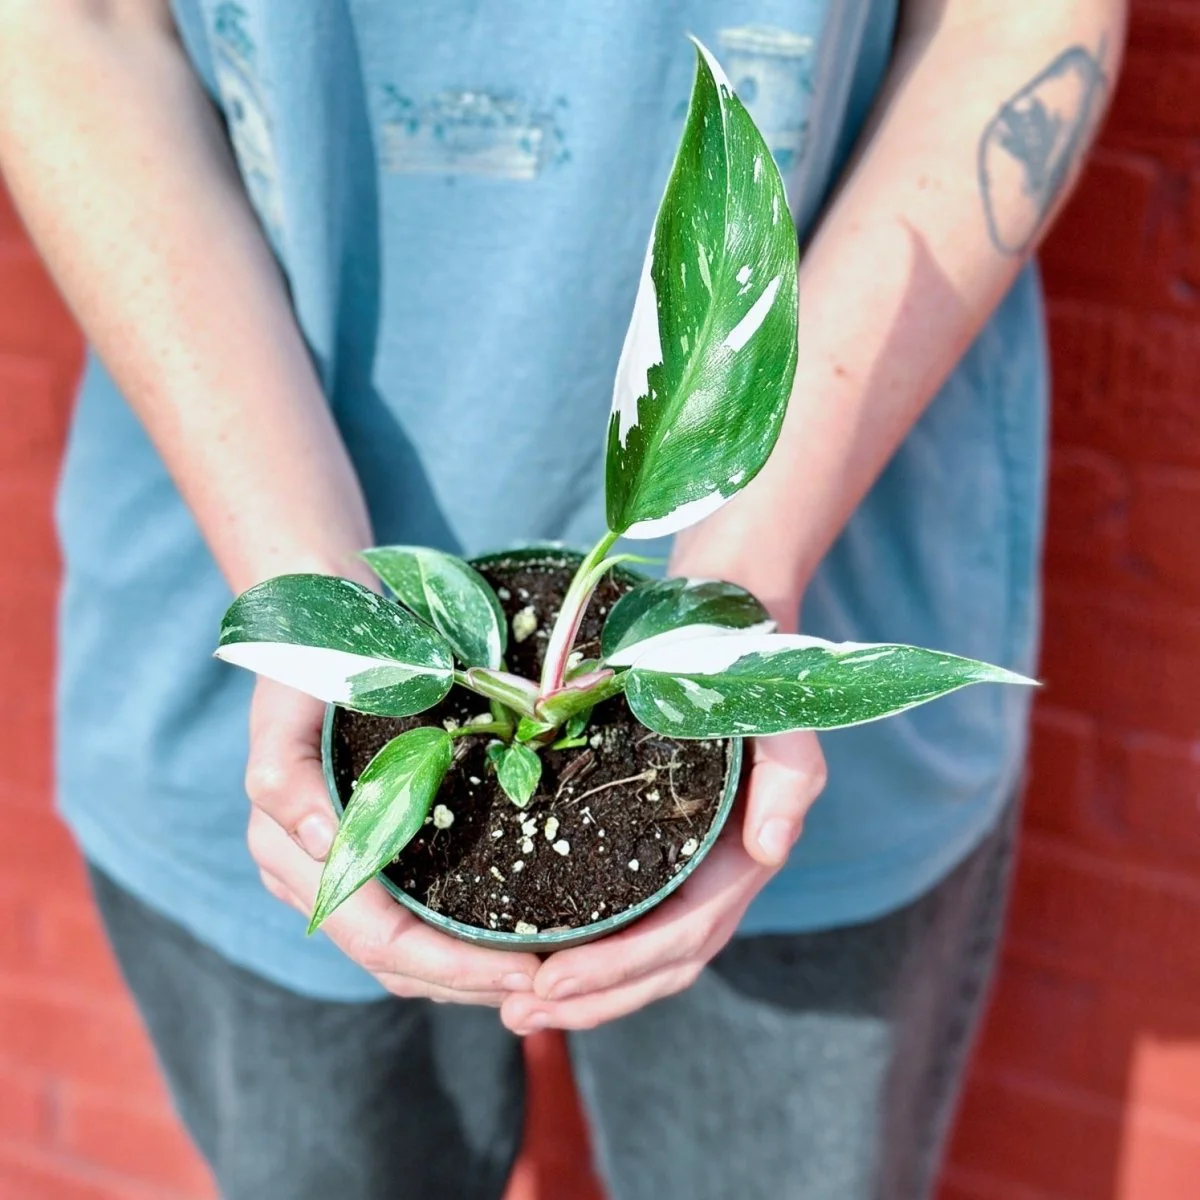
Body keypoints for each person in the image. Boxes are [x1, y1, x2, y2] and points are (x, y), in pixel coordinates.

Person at [0, 2, 1124, 1197]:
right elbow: (73, 28)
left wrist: (740, 585)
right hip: (232, 608)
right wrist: (310, 603)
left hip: (829, 579)